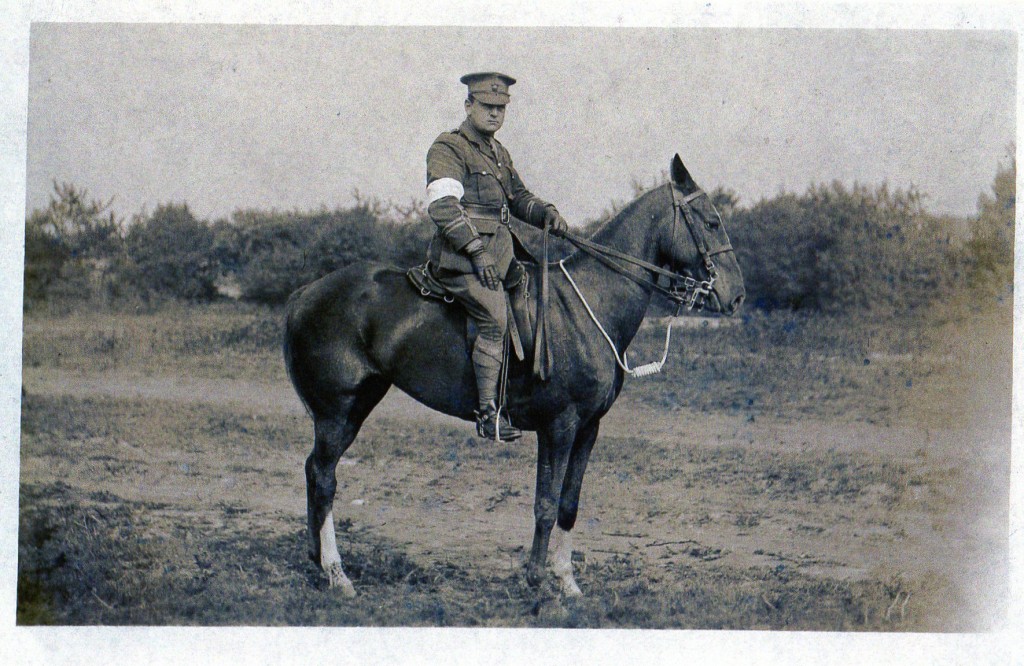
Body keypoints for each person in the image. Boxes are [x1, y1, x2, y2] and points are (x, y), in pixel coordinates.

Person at [425, 71, 568, 441]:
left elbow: (517, 198)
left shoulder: (498, 153)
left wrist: (544, 212)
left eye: (500, 108)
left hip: (501, 255)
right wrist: (475, 250)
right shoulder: (449, 147)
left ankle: (523, 392)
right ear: (468, 104)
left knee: (530, 301)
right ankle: (489, 413)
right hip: (460, 259)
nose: (494, 115)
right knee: (493, 315)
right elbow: (443, 206)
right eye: (487, 106)